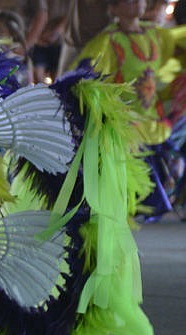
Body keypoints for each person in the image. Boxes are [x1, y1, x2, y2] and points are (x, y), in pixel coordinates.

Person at [74, 0, 186, 220]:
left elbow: (178, 44)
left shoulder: (156, 36)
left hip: (153, 120)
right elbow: (86, 73)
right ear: (113, 9)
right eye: (128, 0)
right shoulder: (108, 41)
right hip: (126, 124)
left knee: (175, 165)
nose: (137, 3)